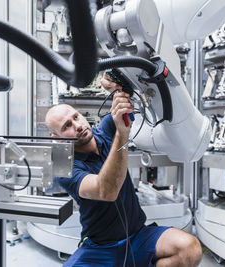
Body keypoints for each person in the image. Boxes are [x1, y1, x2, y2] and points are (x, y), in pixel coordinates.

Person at [45, 74, 202, 267]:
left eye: (76, 117)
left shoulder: (106, 129)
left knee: (190, 249)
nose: (77, 126)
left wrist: (113, 84)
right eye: (67, 126)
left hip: (138, 236)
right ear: (57, 138)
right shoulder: (64, 168)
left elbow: (132, 90)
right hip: (99, 247)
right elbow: (106, 191)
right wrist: (122, 133)